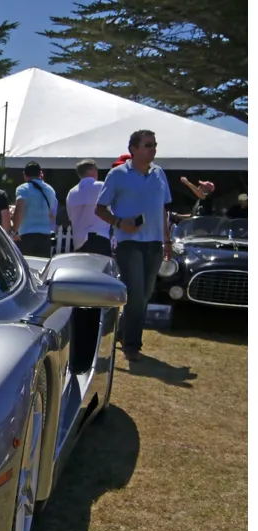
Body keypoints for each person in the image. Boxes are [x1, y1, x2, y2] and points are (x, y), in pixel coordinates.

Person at [95, 129, 172, 362]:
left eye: (154, 144)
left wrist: (167, 240)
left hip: (155, 243)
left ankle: (121, 332)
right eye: (148, 145)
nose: (153, 149)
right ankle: (132, 346)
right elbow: (99, 208)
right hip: (129, 243)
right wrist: (120, 222)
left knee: (145, 294)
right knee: (136, 293)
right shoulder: (118, 175)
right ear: (134, 150)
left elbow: (162, 209)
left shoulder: (160, 174)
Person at [65, 159, 111, 256]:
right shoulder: (101, 187)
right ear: (91, 170)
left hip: (79, 240)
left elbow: (70, 217)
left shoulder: (71, 192)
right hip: (99, 237)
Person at [12, 161, 57, 258]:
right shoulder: (50, 190)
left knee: (26, 267)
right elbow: (51, 215)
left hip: (26, 235)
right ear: (39, 173)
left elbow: (19, 211)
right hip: (45, 236)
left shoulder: (23, 189)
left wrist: (15, 231)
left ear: (25, 174)